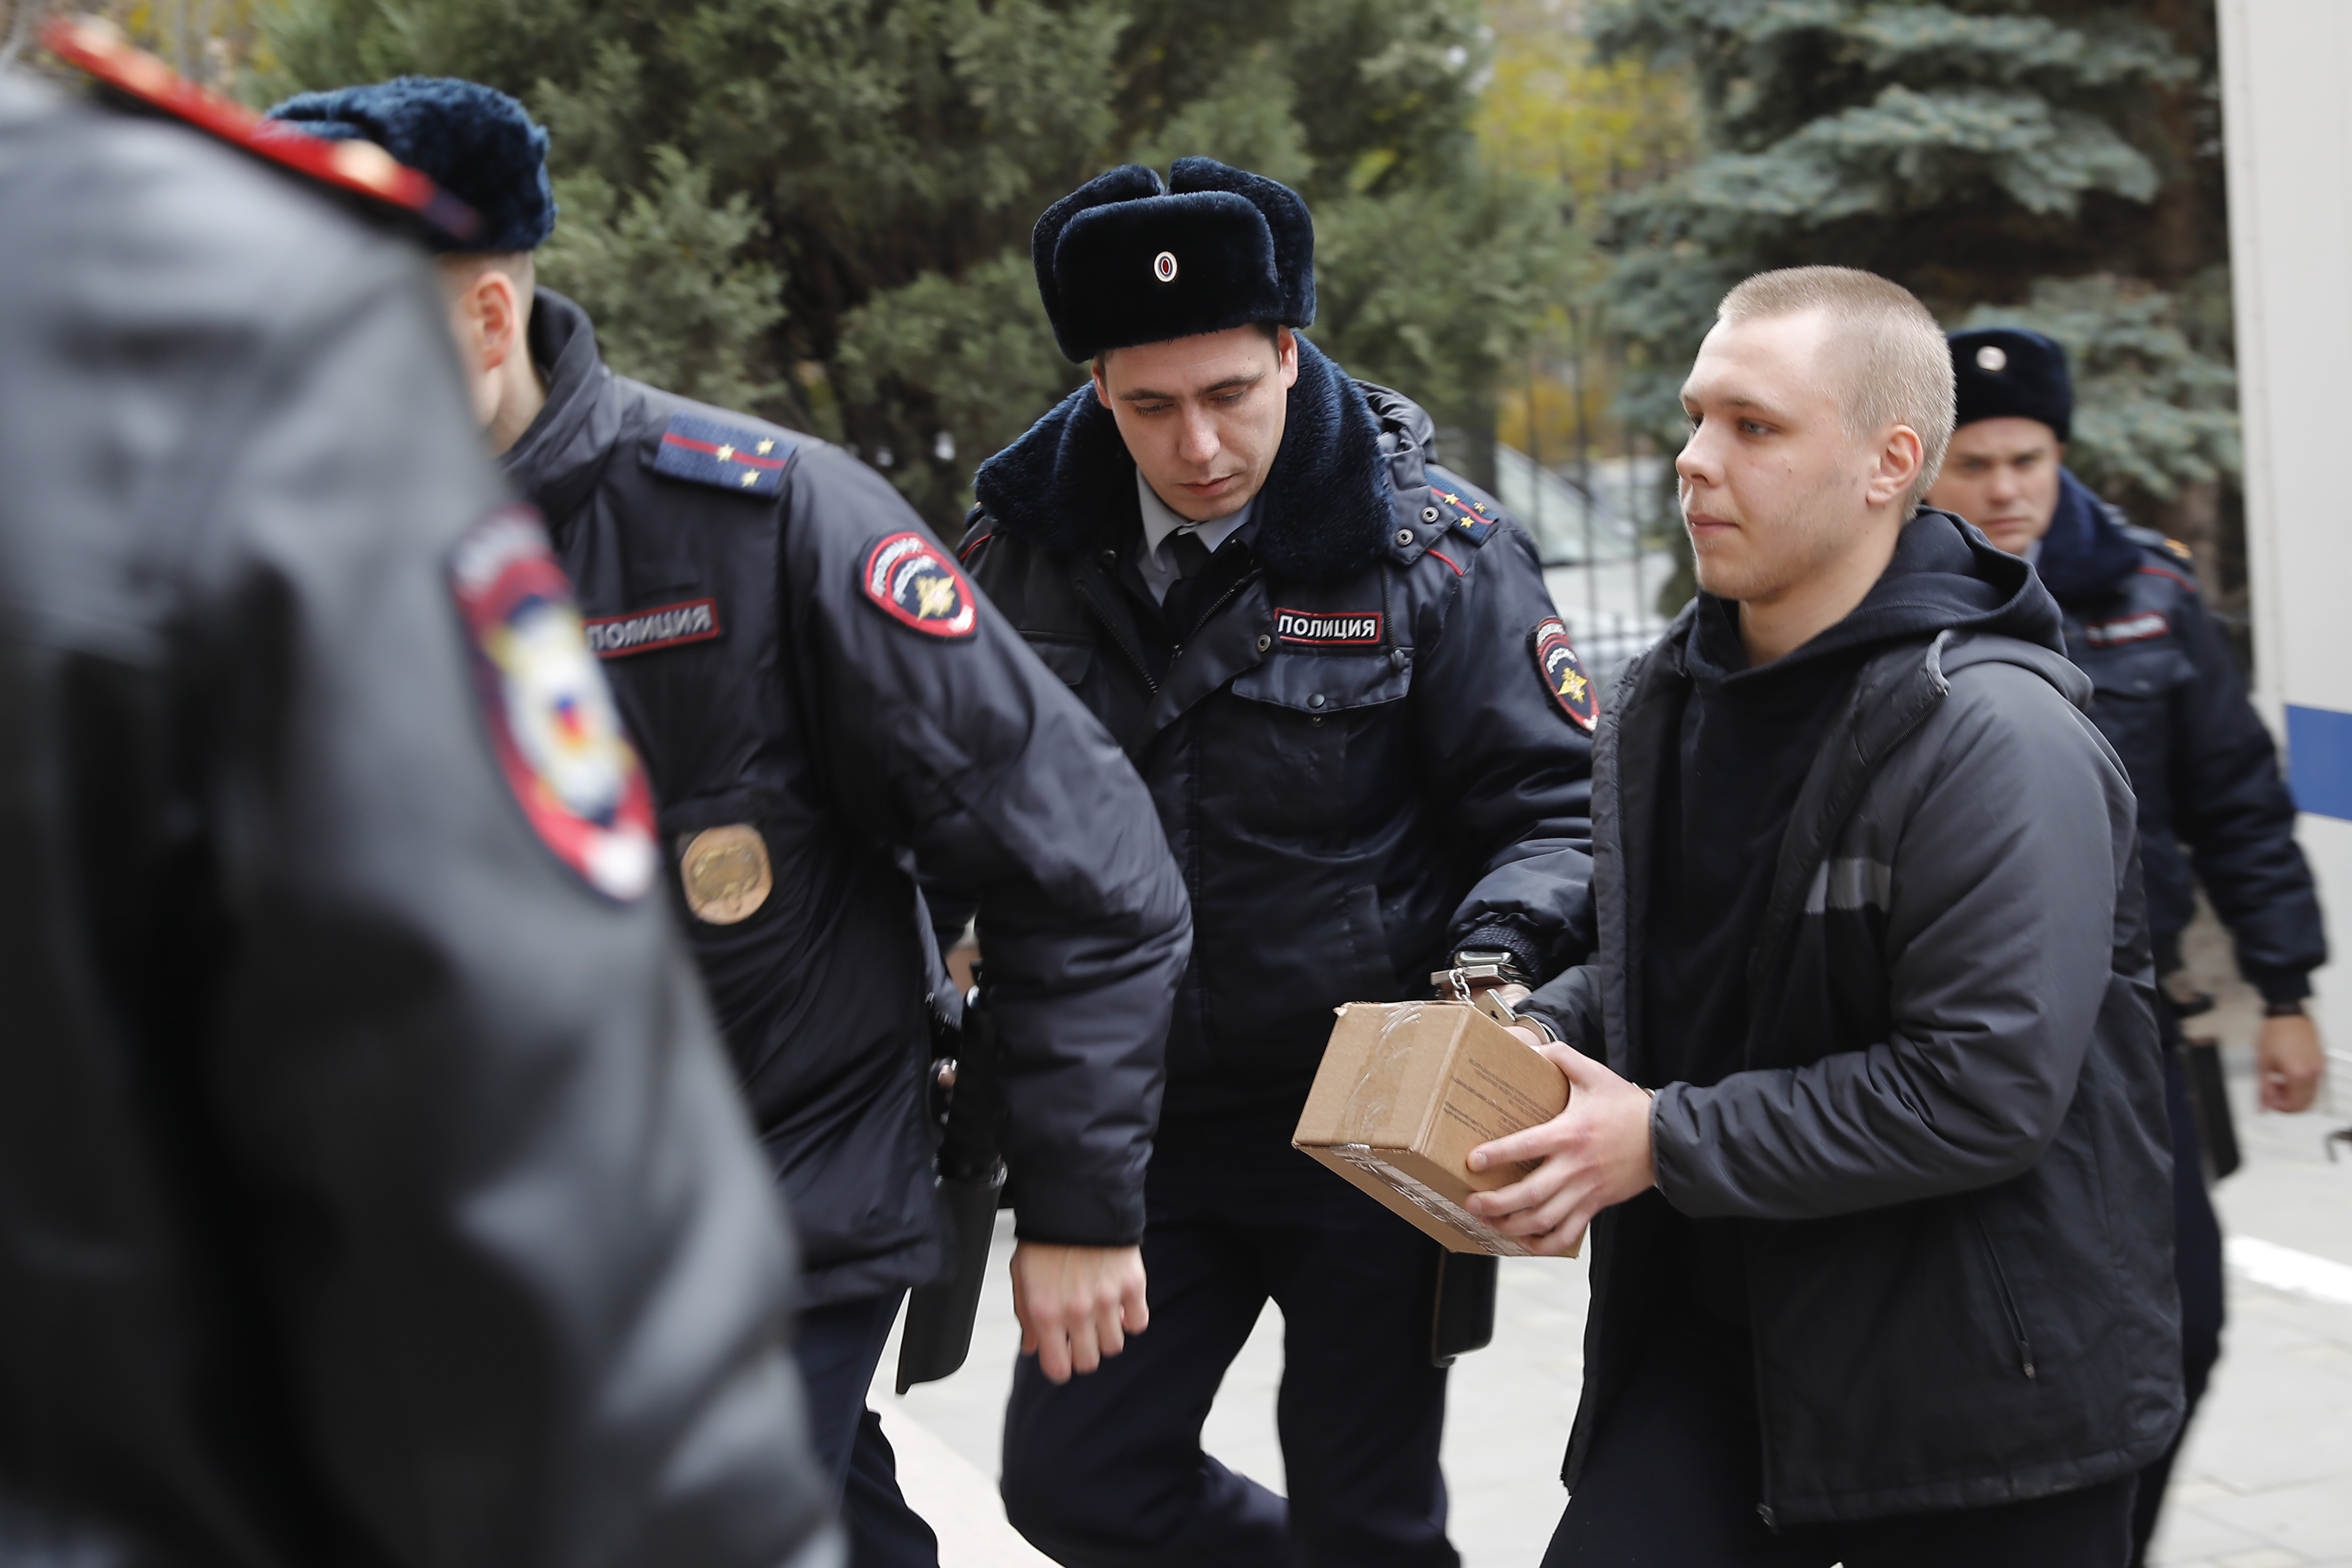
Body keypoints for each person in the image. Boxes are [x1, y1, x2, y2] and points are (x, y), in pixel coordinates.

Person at [264, 76, 1194, 1568]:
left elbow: (1084, 866)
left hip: (771, 1210)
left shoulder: (766, 528)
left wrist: (1080, 1201)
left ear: (487, 320)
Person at [0, 27, 836, 1568]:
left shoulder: (763, 508)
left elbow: (1067, 835)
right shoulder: (181, 323)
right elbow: (534, 1247)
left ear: (491, 306)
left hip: (816, 1185)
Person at [1474, 267, 2183, 1567]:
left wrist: (1658, 1141)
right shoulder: (1659, 703)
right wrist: (1548, 1038)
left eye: (1753, 428)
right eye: (1695, 418)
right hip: (1713, 1355)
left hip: (1975, 1408)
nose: (1693, 462)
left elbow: (1980, 1086)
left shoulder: (1997, 735)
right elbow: (1687, 976)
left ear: (1887, 463)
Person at [957, 158, 1597, 1568]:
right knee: (1075, 1485)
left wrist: (1491, 963)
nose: (1196, 445)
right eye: (1150, 406)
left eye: (1231, 395)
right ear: (1097, 387)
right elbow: (942, 812)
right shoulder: (1013, 558)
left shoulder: (1437, 553)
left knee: (1370, 1514)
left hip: (1361, 1119)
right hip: (1131, 1124)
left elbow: (1558, 809)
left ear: (1289, 355)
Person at [1924, 325, 2329, 1560]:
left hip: (2135, 1040)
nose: (2003, 489)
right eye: (1976, 462)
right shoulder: (1883, 605)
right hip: (1954, 1040)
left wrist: (2287, 989)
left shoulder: (2148, 599)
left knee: (2185, 1321)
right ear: (1923, 463)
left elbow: (2239, 804)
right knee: (1990, 1341)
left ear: (2059, 456)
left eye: (2026, 460)